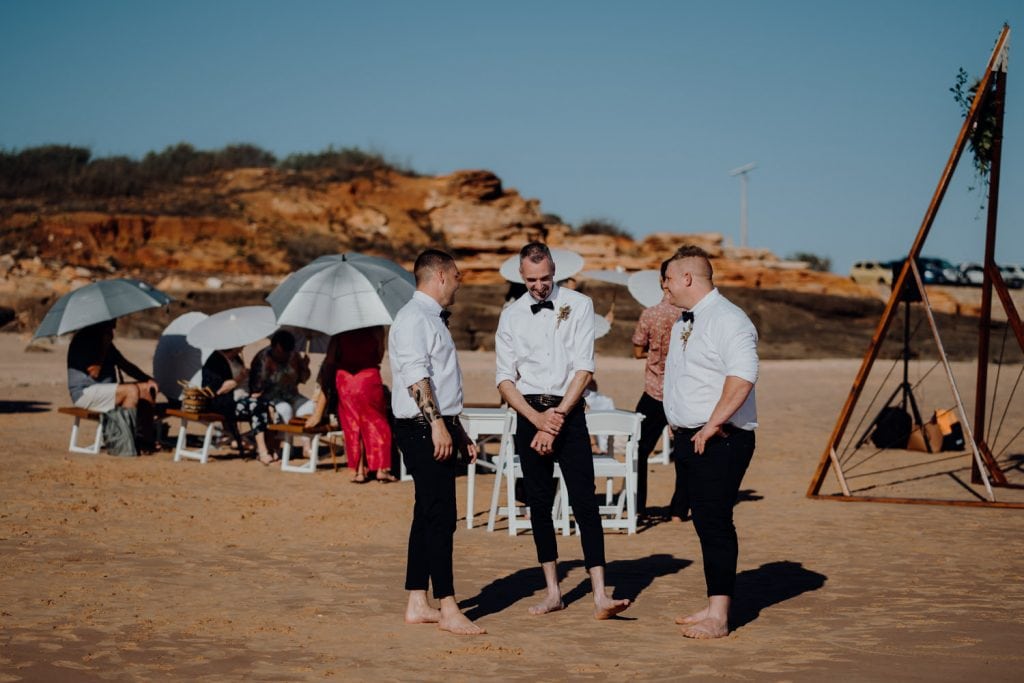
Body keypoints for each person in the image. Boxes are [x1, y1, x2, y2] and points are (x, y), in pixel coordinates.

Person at [495, 241, 630, 619]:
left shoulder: (580, 305)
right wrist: (537, 420)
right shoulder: (511, 316)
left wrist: (555, 419)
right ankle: (553, 591)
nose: (540, 286)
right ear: (521, 277)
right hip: (528, 412)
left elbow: (584, 369)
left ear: (556, 272)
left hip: (568, 410)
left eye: (547, 278)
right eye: (532, 280)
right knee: (538, 504)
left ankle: (601, 594)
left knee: (584, 501)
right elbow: (505, 379)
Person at [662, 245, 758, 640]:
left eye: (666, 279)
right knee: (702, 521)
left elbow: (742, 378)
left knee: (716, 522)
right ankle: (713, 600)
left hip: (721, 438)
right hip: (690, 437)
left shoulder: (729, 320)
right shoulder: (683, 320)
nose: (664, 288)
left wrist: (710, 426)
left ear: (687, 278)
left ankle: (720, 616)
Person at [388, 249, 484, 635]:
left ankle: (417, 601)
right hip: (420, 426)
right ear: (441, 275)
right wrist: (438, 427)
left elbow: (439, 381)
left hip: (431, 423)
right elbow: (417, 377)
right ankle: (448, 606)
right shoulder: (414, 318)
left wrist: (456, 429)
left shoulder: (429, 318)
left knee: (426, 513)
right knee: (442, 516)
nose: (460, 282)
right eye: (457, 275)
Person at [631, 258, 687, 519]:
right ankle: (678, 509)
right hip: (680, 392)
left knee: (639, 450)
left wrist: (654, 355)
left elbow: (637, 350)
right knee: (684, 454)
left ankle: (638, 506)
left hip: (654, 390)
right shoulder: (688, 317)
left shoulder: (650, 314)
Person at [305, 326, 394, 483]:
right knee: (378, 423)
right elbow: (379, 356)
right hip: (369, 378)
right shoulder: (377, 329)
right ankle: (382, 469)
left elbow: (331, 359)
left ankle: (359, 471)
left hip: (346, 380)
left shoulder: (340, 329)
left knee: (353, 425)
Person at [66, 320, 159, 449]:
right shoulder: (83, 339)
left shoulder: (103, 339)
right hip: (85, 393)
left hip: (105, 391)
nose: (114, 325)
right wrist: (104, 345)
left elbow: (125, 365)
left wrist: (148, 380)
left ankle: (145, 441)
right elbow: (94, 372)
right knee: (131, 391)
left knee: (145, 389)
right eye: (112, 321)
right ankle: (123, 443)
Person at [202, 346, 276, 465]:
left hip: (244, 399)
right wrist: (239, 378)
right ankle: (262, 451)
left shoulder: (236, 359)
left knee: (269, 404)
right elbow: (218, 390)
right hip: (224, 403)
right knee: (255, 406)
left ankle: (271, 448)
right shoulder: (214, 360)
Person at [249, 330, 313, 425]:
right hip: (271, 397)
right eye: (280, 352)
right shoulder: (262, 358)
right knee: (284, 409)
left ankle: (305, 438)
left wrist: (304, 367)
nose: (284, 356)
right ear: (274, 347)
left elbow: (303, 379)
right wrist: (267, 372)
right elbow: (256, 388)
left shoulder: (294, 356)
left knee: (309, 406)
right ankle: (285, 438)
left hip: (292, 395)